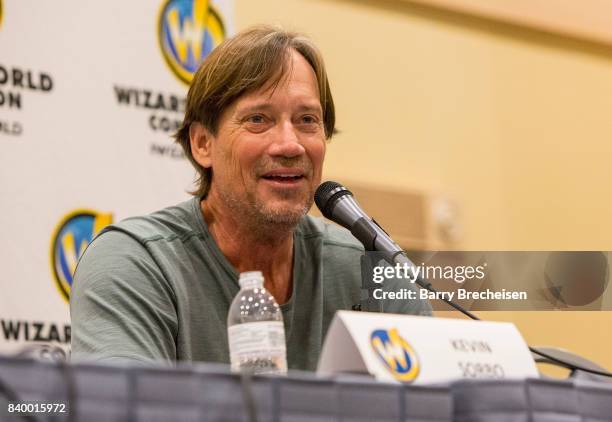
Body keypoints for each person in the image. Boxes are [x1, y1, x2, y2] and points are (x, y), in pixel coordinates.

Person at [70, 25, 431, 370]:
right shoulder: (136, 262)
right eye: (258, 119)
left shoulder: (372, 268)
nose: (290, 144)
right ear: (202, 143)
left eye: (307, 120)